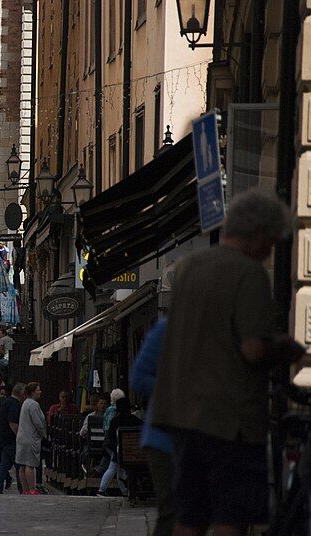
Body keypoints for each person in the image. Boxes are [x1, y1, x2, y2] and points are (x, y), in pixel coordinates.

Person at [150, 190, 303, 535]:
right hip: (228, 419)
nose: (269, 250)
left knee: (190, 517)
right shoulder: (248, 274)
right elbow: (251, 349)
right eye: (271, 241)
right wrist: (284, 349)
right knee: (229, 517)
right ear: (259, 232)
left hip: (183, 414)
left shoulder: (190, 269)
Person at [131, 318, 174, 536]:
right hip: (165, 436)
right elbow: (138, 377)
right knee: (173, 510)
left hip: (205, 433)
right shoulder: (169, 328)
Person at [98, 397, 142, 496]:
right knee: (118, 469)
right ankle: (124, 491)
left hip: (117, 450)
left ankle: (102, 489)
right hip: (132, 452)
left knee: (113, 468)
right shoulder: (135, 420)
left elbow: (111, 437)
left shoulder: (115, 421)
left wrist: (115, 450)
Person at [0, 383, 25, 494]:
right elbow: (13, 423)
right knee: (19, 465)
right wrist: (20, 436)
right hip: (11, 439)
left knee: (4, 465)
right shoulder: (14, 404)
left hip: (4, 438)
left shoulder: (6, 402)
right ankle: (22, 488)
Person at [16, 382, 46, 495]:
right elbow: (38, 422)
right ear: (33, 392)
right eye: (38, 390)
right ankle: (32, 489)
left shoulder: (25, 403)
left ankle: (25, 490)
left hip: (22, 437)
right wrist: (43, 434)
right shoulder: (33, 404)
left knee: (22, 465)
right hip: (30, 438)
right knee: (29, 464)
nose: (40, 392)